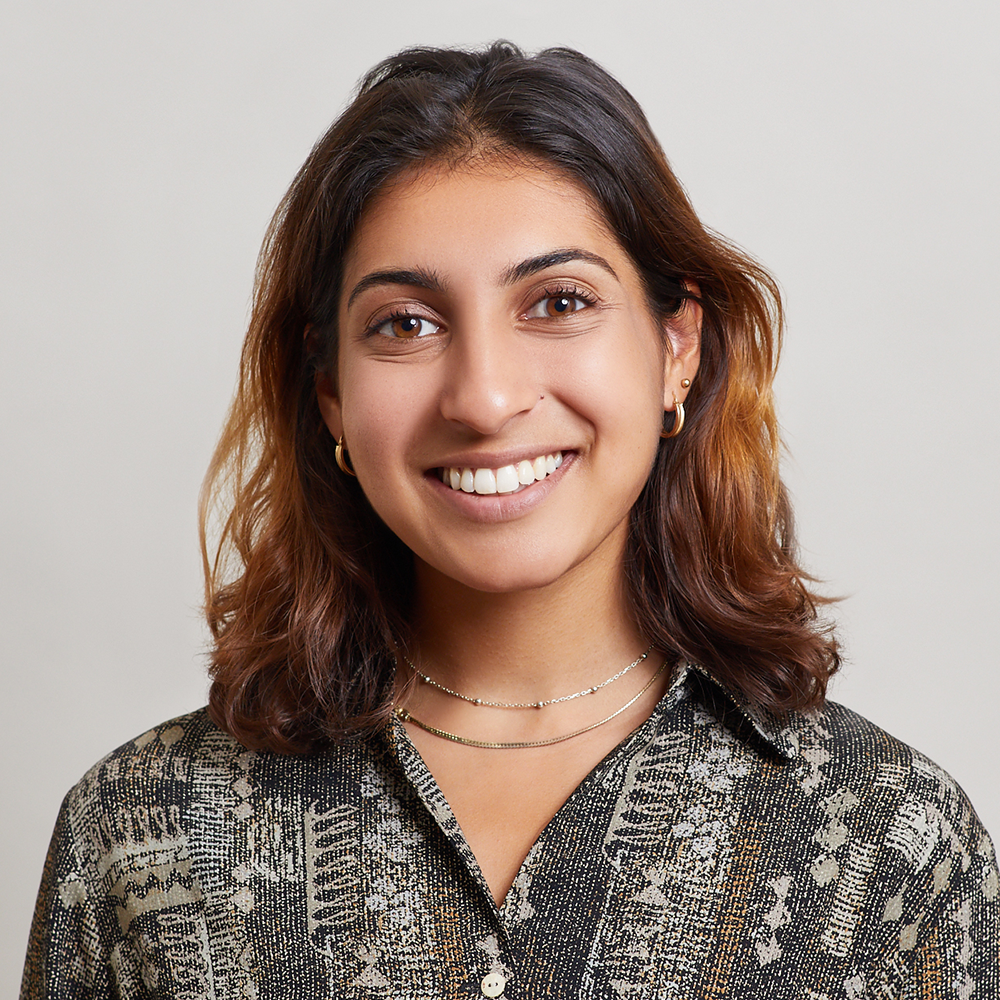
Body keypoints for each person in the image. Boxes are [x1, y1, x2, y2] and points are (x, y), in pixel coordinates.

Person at [22, 42, 998, 999]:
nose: (483, 398)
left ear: (676, 346)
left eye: (559, 301)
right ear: (328, 392)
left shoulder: (889, 841)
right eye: (405, 322)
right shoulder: (140, 833)